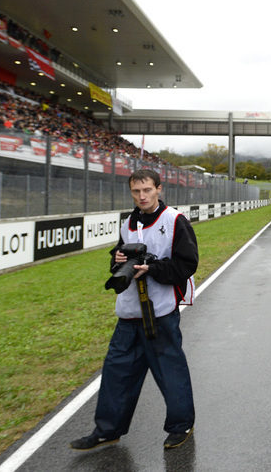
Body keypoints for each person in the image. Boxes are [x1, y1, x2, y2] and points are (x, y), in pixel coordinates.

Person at [71, 169, 198, 451]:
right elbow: (118, 263)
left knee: (170, 370)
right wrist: (117, 260)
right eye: (136, 192)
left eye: (147, 190)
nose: (142, 196)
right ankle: (108, 430)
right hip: (128, 312)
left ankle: (181, 425)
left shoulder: (175, 220)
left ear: (159, 189)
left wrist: (152, 269)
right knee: (117, 371)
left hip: (160, 312)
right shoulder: (127, 223)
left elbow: (187, 265)